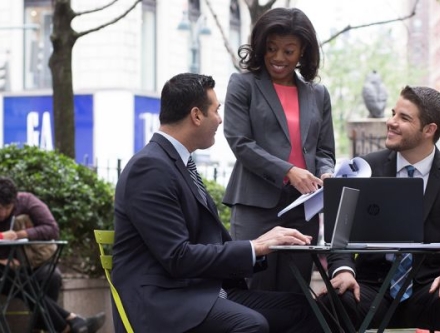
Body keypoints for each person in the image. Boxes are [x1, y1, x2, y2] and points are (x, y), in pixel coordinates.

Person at [112, 72, 321, 333]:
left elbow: (201, 244)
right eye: (216, 110)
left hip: (200, 292)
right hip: (165, 302)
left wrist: (263, 244)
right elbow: (178, 257)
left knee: (306, 309)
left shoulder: (176, 163)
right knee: (251, 325)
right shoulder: (150, 167)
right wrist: (254, 247)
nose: (220, 119)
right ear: (197, 115)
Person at [223, 7, 335, 293]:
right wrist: (288, 170)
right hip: (255, 206)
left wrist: (326, 172)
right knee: (253, 288)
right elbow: (239, 141)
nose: (278, 58)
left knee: (295, 291)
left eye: (288, 51)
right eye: (271, 48)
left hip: (303, 207)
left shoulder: (317, 94)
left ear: (303, 52)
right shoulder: (243, 84)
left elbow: (324, 149)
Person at [318, 86, 440, 331]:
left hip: (429, 288)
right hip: (371, 287)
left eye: (403, 118)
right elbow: (339, 234)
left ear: (429, 129)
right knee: (331, 301)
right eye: (393, 113)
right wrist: (343, 270)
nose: (390, 122)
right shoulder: (365, 168)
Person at [0, 176, 105, 333]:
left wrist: (19, 234)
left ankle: (51, 327)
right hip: (5, 270)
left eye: (7, 208)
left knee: (52, 277)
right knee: (20, 282)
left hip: (30, 263)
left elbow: (52, 229)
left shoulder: (27, 202)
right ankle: (70, 322)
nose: (2, 213)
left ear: (15, 201)